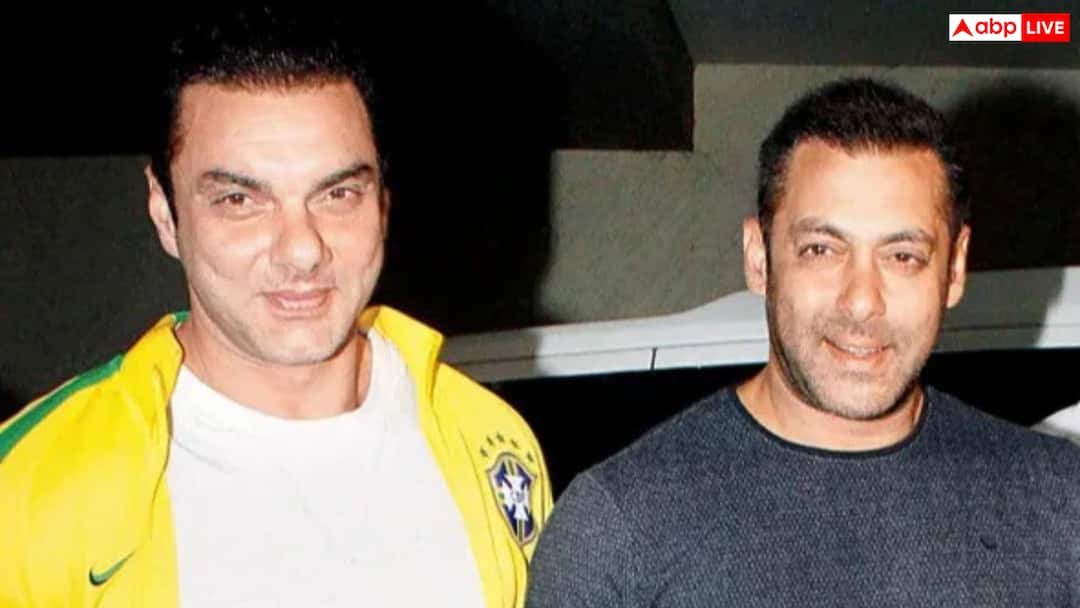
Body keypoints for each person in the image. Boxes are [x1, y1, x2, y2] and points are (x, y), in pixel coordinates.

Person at [0, 8, 550, 607]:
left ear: (383, 203)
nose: (302, 249)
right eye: (240, 200)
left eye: (338, 193)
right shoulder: (32, 485)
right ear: (164, 212)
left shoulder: (490, 440)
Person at [525, 78, 1080, 607]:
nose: (861, 301)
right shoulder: (619, 527)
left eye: (902, 256)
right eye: (821, 249)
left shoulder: (1057, 503)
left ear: (954, 269)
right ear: (758, 257)